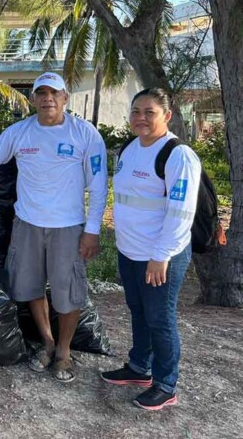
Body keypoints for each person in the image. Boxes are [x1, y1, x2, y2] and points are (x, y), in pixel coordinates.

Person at [0, 72, 108, 383]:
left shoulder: (85, 134)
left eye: (54, 93)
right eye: (41, 93)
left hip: (68, 227)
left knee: (68, 292)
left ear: (66, 98)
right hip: (26, 224)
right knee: (29, 287)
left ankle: (64, 350)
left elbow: (99, 185)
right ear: (32, 99)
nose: (47, 99)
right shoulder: (20, 132)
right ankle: (47, 342)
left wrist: (92, 230)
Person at [100, 88, 200, 410]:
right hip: (129, 250)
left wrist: (161, 256)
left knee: (160, 318)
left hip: (160, 255)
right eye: (136, 111)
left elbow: (181, 211)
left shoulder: (177, 155)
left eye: (149, 112)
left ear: (167, 116)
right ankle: (139, 367)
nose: (140, 118)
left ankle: (166, 384)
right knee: (138, 310)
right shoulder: (128, 149)